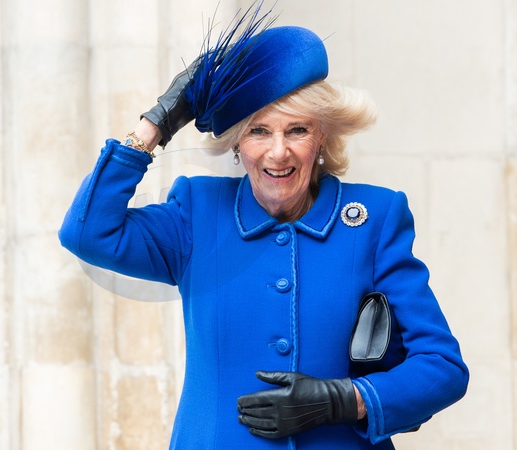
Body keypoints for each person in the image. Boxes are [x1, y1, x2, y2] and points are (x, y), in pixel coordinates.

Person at [59, 4, 469, 449]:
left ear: (322, 138)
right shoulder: (197, 212)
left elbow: (442, 366)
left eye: (297, 130)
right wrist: (154, 125)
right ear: (236, 143)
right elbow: (88, 232)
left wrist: (342, 400)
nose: (278, 152)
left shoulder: (374, 217)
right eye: (258, 131)